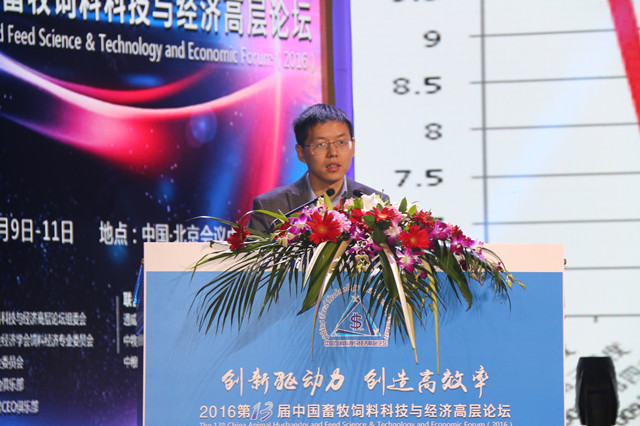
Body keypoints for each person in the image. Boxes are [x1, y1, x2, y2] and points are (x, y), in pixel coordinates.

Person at [248, 104, 386, 233]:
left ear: (353, 146)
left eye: (341, 142)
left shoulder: (376, 204)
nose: (333, 153)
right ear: (301, 153)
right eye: (320, 145)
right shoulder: (270, 207)